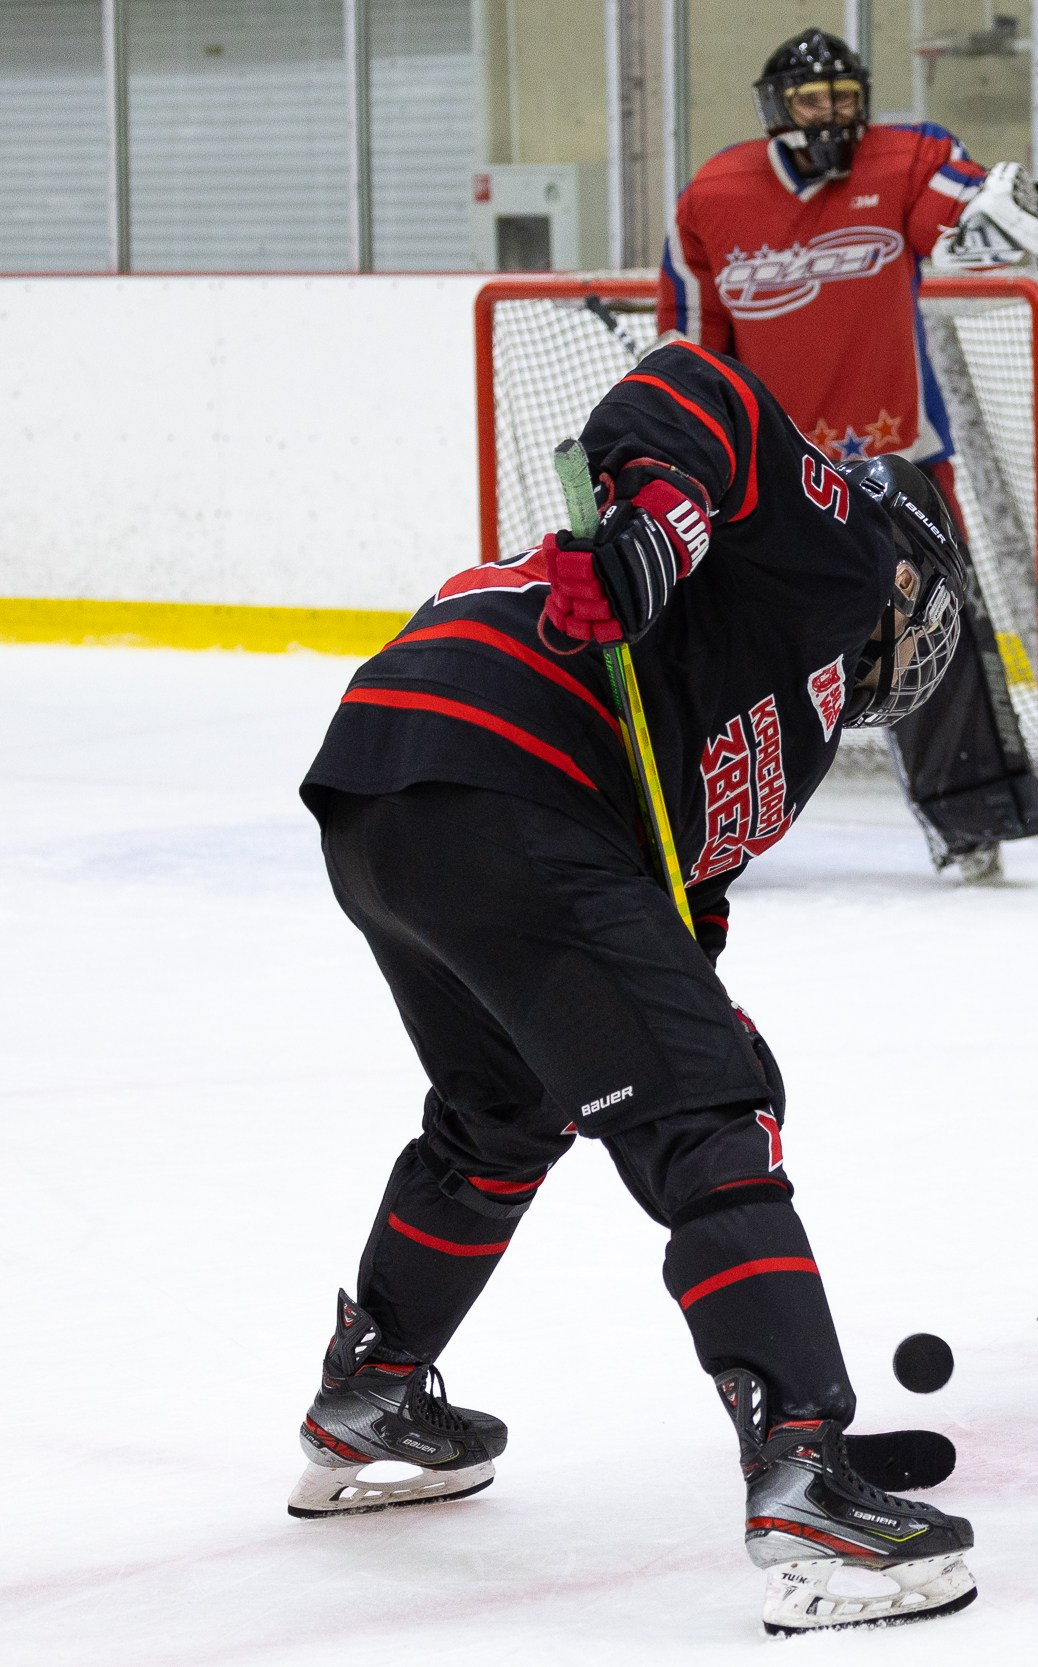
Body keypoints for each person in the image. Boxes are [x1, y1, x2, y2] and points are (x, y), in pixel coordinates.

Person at [289, 341, 980, 1634]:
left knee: (505, 1110)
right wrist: (657, 512)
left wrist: (689, 1020)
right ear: (903, 574)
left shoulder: (798, 725)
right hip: (508, 766)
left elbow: (670, 900)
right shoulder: (831, 563)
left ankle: (372, 1386)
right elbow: (696, 388)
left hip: (389, 794)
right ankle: (804, 1473)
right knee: (713, 1115)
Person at [660, 26, 1038, 882]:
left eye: (845, 97)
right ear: (777, 109)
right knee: (729, 642)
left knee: (934, 632)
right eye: (813, 100)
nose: (833, 114)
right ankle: (697, 816)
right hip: (771, 473)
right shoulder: (712, 197)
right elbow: (692, 346)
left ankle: (973, 822)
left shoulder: (905, 157)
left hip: (898, 464)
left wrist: (1006, 207)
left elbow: (959, 205)